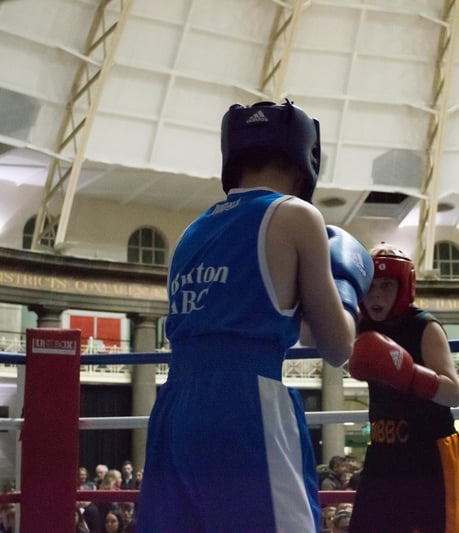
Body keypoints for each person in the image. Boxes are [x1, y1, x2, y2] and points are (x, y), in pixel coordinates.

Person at [136, 99, 373, 532]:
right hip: (246, 405)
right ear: (306, 158)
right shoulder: (297, 215)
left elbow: (268, 316)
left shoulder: (193, 231)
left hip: (175, 409)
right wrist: (348, 291)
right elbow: (336, 347)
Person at [347, 244, 459, 533]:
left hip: (431, 452)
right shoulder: (360, 325)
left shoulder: (424, 327)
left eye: (387, 286)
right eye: (371, 286)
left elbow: (453, 393)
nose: (376, 294)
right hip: (383, 451)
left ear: (404, 287)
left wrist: (410, 375)